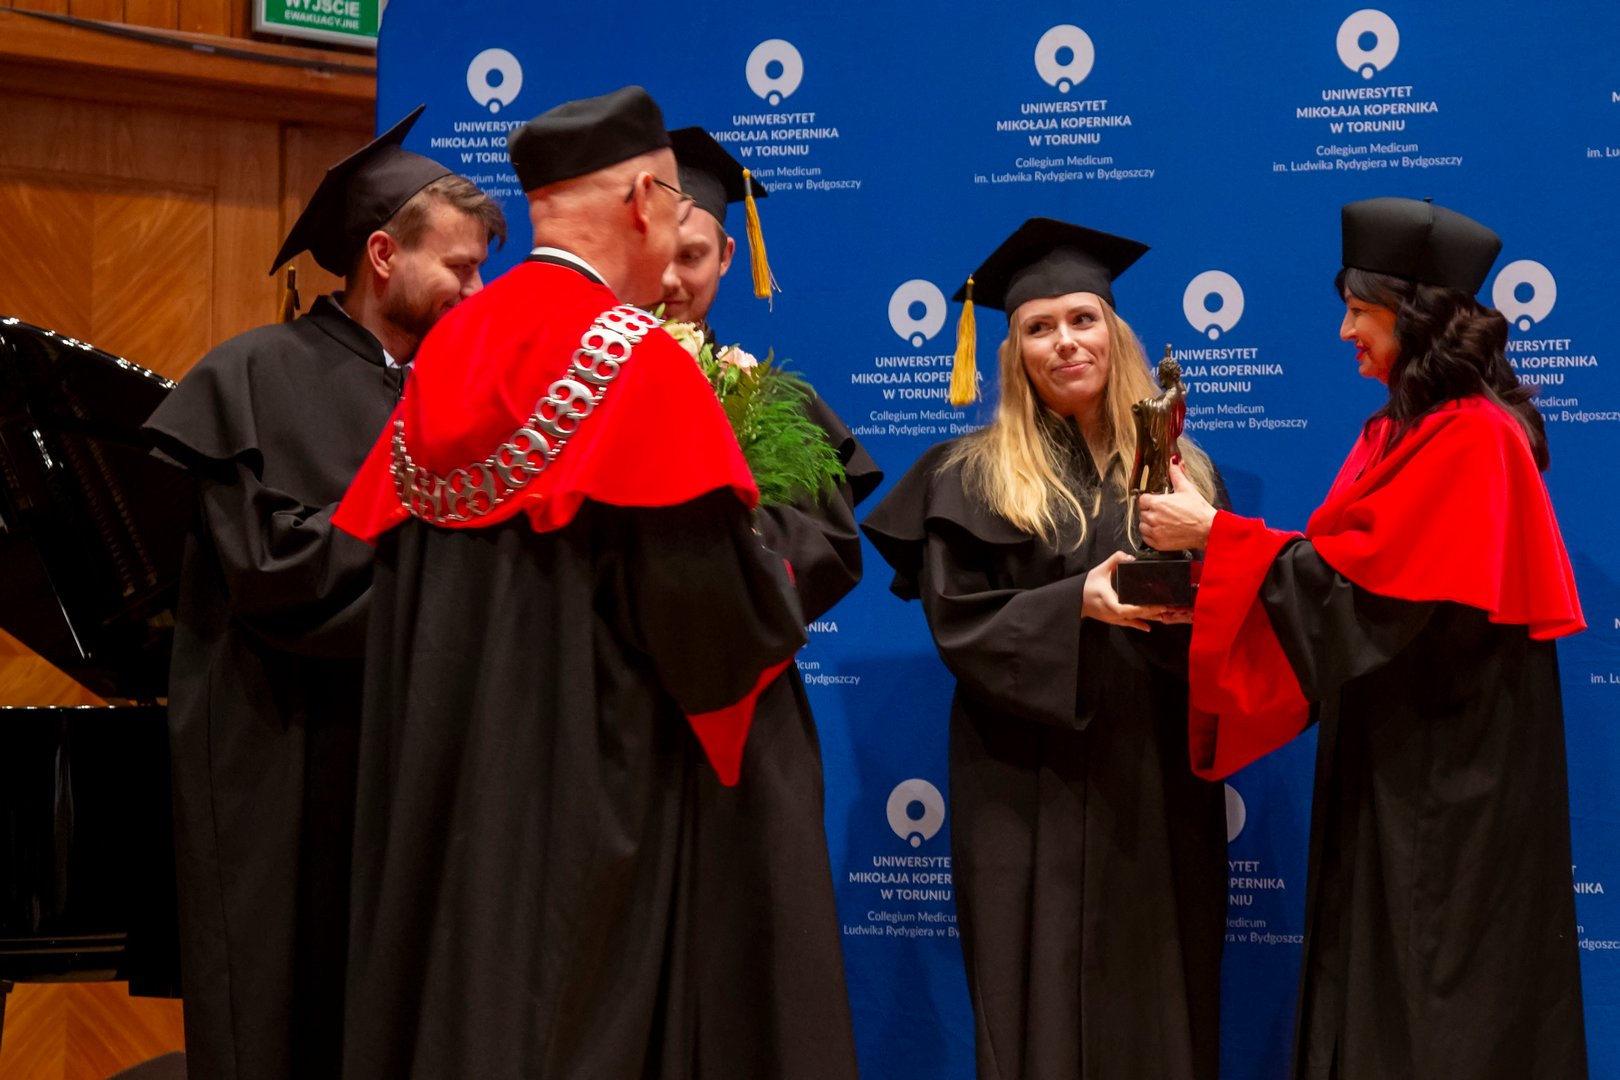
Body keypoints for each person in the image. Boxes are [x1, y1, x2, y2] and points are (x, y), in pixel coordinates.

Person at [330, 86, 808, 1078]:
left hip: (447, 781)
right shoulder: (636, 359)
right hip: (585, 785)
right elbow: (709, 623)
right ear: (642, 202)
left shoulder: (446, 348)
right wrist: (775, 581)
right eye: (675, 209)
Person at [1136, 196, 1587, 1079]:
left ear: (1413, 313)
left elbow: (1368, 596)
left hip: (1452, 776)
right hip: (1393, 754)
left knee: (1434, 990)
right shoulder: (1396, 430)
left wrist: (1219, 537)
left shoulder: (1475, 438)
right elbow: (1342, 571)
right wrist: (1219, 572)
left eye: (1358, 309)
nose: (1344, 331)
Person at [140, 106, 504, 1080]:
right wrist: (438, 561)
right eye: (459, 268)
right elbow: (274, 572)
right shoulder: (250, 377)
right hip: (281, 758)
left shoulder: (458, 396)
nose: (477, 292)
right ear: (383, 255)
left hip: (412, 760)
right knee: (283, 1019)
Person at [862, 218, 1229, 1080]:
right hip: (1024, 782)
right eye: (1039, 327)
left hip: (1153, 774)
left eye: (1082, 319)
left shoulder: (1183, 471)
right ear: (1014, 353)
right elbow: (959, 623)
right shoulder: (970, 475)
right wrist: (1077, 604)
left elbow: (1228, 625)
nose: (1065, 341)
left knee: (1159, 991)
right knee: (1031, 995)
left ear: (1115, 332)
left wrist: (1206, 559)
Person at [660, 125, 877, 1079]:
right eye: (658, 254)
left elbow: (830, 545)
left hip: (752, 716)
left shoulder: (771, 399)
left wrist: (726, 563)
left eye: (695, 257)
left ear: (727, 258)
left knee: (758, 950)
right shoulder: (573, 392)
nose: (673, 280)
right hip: (618, 709)